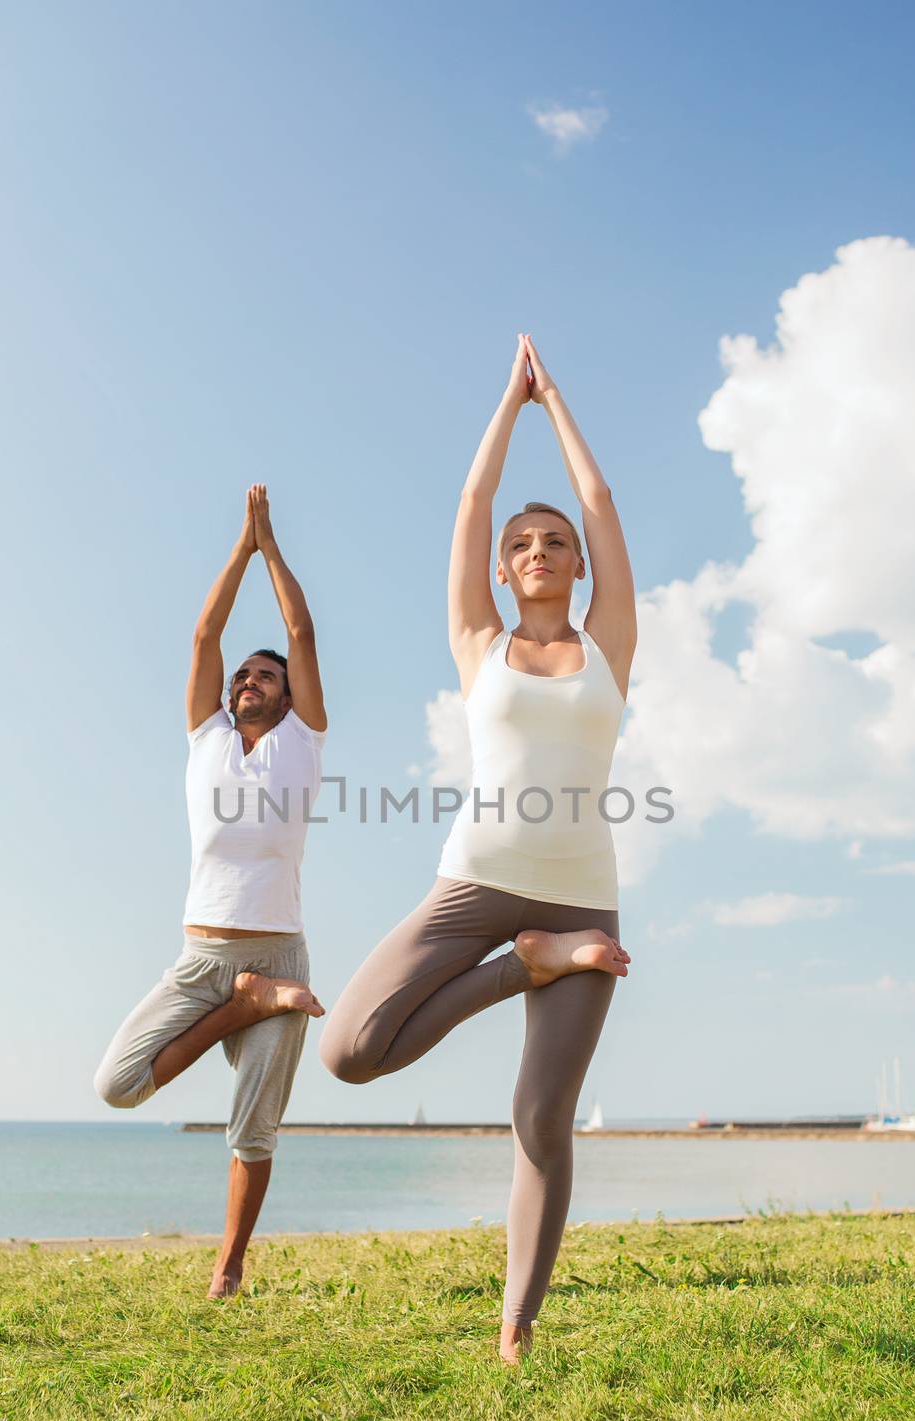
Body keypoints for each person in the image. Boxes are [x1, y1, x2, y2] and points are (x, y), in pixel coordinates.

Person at [320, 335, 636, 1363]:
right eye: (521, 545)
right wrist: (510, 404)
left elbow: (602, 507)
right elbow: (469, 504)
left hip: (583, 898)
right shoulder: (477, 642)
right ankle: (523, 970)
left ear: (574, 564)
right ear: (502, 570)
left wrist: (563, 408)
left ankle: (513, 1332)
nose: (539, 550)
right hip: (474, 887)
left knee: (540, 1116)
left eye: (553, 542)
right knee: (352, 1049)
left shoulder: (606, 646)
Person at [94, 484, 327, 1300]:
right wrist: (239, 547)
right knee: (117, 1085)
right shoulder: (206, 741)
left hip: (276, 951)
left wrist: (272, 550)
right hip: (204, 962)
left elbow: (298, 631)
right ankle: (248, 1004)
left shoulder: (303, 741)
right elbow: (204, 633)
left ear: (292, 694)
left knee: (252, 1129)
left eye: (265, 676)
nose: (248, 682)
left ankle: (228, 1268)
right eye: (241, 677)